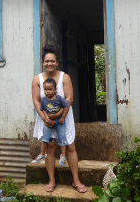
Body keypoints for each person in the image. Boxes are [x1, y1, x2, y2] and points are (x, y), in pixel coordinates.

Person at [32, 44, 87, 193]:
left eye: (52, 61)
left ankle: (76, 181)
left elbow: (69, 98)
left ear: (57, 62)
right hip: (45, 118)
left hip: (64, 117)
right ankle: (51, 181)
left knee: (70, 147)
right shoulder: (37, 79)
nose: (49, 63)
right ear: (43, 63)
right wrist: (44, 118)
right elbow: (36, 101)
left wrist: (59, 115)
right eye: (46, 61)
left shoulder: (65, 77)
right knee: (50, 147)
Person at [35, 77, 70, 166]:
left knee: (62, 137)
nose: (48, 91)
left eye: (50, 89)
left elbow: (66, 106)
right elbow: (43, 109)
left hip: (59, 121)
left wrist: (62, 117)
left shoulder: (58, 98)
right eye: (46, 89)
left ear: (55, 90)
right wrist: (46, 117)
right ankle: (42, 153)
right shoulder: (43, 99)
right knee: (45, 138)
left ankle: (63, 156)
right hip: (48, 121)